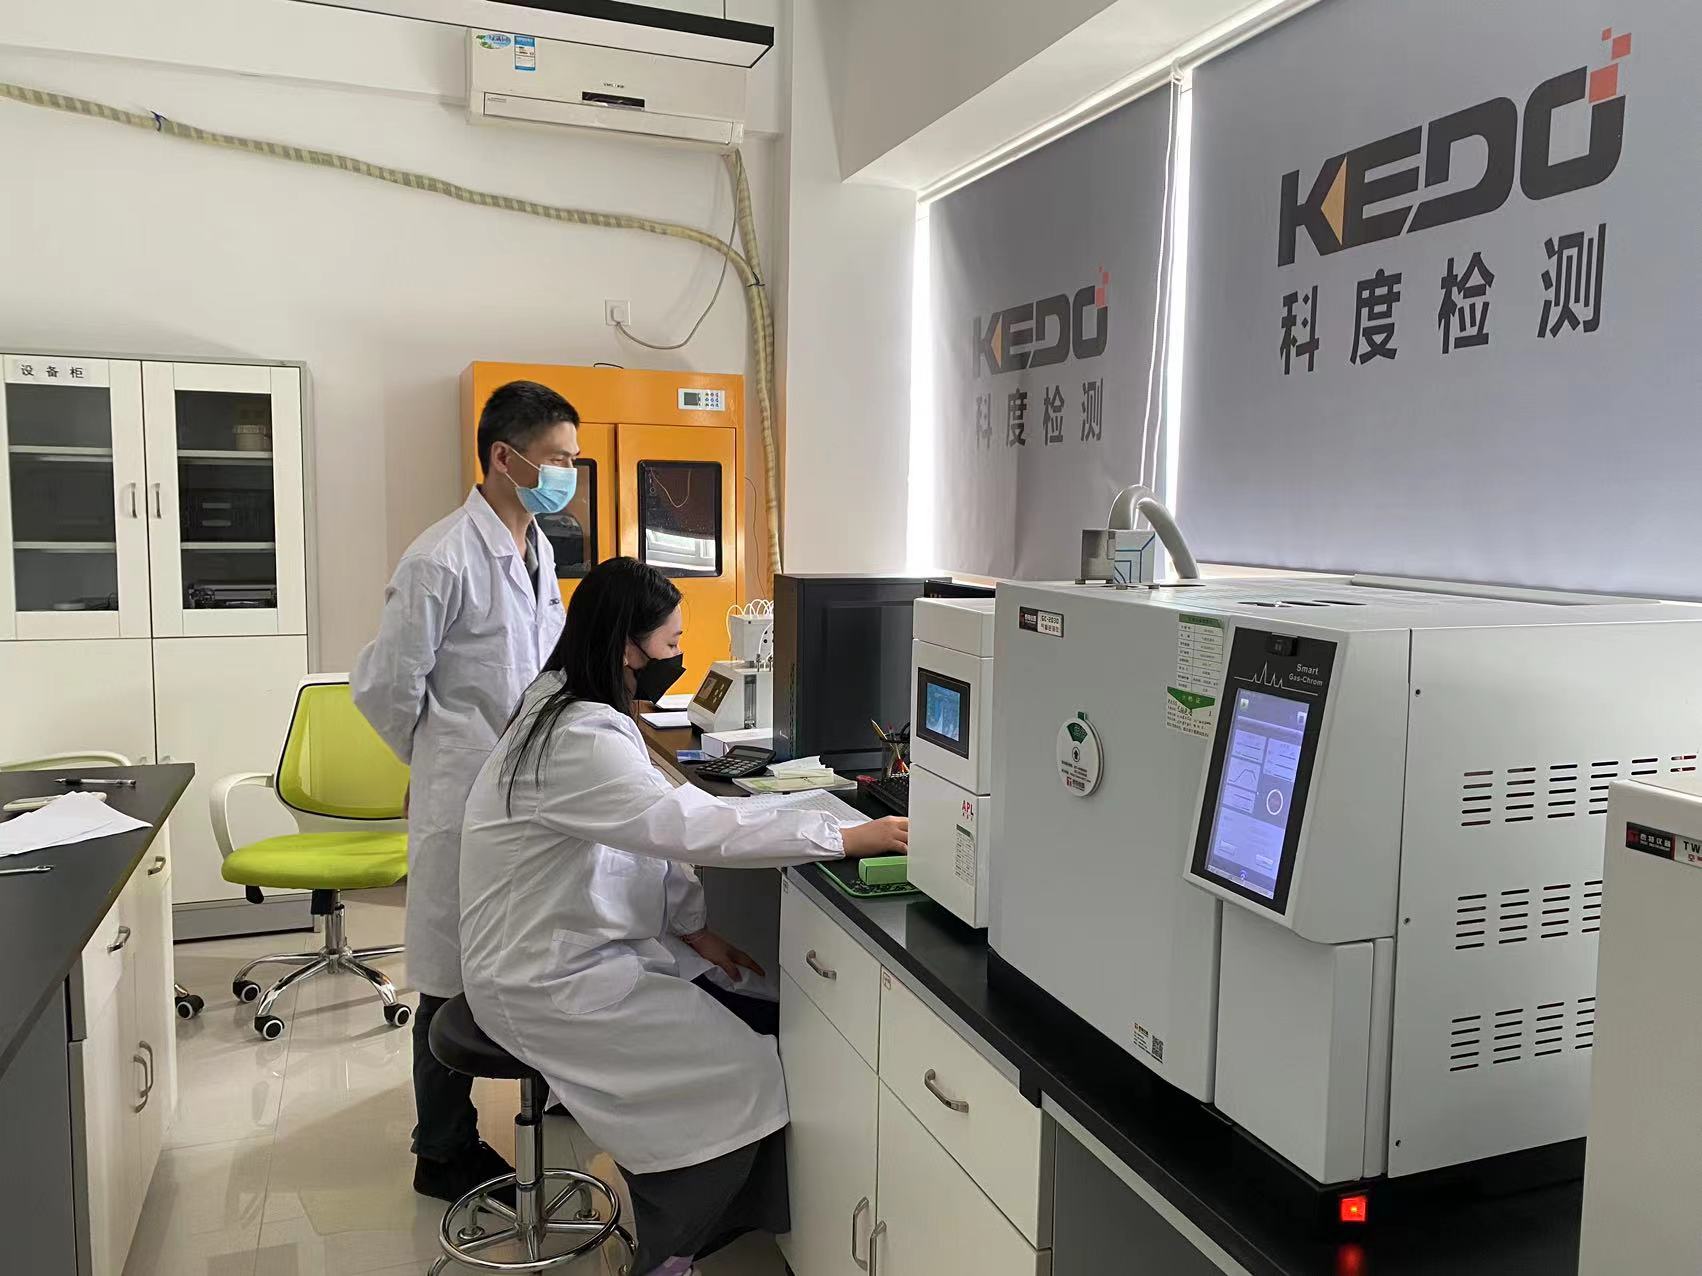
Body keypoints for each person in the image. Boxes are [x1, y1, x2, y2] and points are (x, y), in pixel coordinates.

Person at [459, 557, 908, 1276]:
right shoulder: (579, 737)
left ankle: (689, 1213)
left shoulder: (568, 706)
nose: (679, 658)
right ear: (625, 648)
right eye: (670, 644)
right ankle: (671, 1252)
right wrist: (845, 835)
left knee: (758, 1007)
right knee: (746, 1072)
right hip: (542, 978)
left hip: (564, 947)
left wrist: (694, 929)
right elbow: (689, 826)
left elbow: (645, 832)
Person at [351, 380, 581, 1203]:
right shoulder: (439, 558)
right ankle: (441, 1148)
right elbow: (387, 687)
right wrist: (434, 762)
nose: (568, 473)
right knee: (450, 967)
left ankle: (550, 1089)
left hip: (527, 791)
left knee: (531, 948)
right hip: (464, 792)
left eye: (573, 458)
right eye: (557, 458)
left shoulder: (538, 549)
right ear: (503, 457)